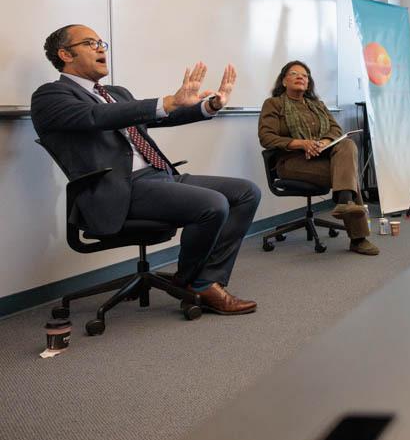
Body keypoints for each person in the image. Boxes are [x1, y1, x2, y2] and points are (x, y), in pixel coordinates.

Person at [31, 25, 261, 315]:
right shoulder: (50, 96)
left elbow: (159, 118)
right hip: (120, 189)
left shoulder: (117, 93)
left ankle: (202, 279)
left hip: (158, 176)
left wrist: (209, 106)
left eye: (102, 42)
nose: (101, 48)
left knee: (245, 192)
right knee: (212, 204)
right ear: (65, 54)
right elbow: (97, 116)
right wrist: (167, 101)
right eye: (91, 43)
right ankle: (197, 284)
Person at [258, 61, 378, 256]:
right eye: (294, 73)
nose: (301, 77)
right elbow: (267, 137)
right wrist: (301, 143)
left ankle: (344, 202)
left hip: (321, 158)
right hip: (291, 162)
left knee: (347, 145)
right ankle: (358, 237)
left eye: (305, 75)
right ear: (284, 80)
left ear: (309, 82)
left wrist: (323, 142)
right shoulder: (274, 104)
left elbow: (336, 130)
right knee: (348, 174)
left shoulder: (317, 105)